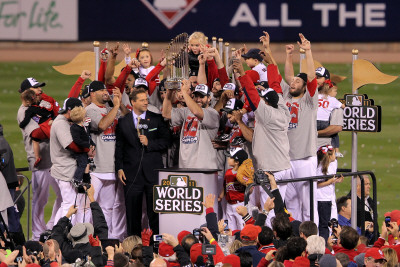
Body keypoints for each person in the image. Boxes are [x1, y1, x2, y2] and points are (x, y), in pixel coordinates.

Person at [234, 51, 291, 218]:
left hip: (271, 170)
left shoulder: (268, 114)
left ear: (267, 103)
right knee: (279, 206)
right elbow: (276, 85)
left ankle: (270, 241)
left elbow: (252, 95)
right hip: (282, 166)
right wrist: (271, 64)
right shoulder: (281, 107)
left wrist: (243, 74)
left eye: (264, 99)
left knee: (270, 210)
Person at [115, 88, 170, 236]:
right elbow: (119, 147)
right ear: (133, 102)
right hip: (131, 174)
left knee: (155, 213)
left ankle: (156, 245)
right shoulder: (123, 122)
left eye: (146, 99)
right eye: (142, 100)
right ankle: (134, 245)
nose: (146, 102)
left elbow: (166, 141)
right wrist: (119, 168)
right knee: (133, 213)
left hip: (153, 173)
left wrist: (149, 143)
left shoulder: (156, 118)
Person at [17, 77, 62, 241]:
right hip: (39, 161)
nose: (40, 91)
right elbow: (37, 133)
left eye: (39, 88)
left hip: (55, 158)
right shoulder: (23, 111)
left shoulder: (41, 104)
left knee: (64, 195)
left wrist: (53, 122)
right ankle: (37, 234)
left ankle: (52, 226)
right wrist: (55, 125)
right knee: (40, 198)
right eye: (36, 88)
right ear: (26, 92)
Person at [85, 80, 129, 240]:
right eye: (101, 90)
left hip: (112, 167)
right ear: (92, 94)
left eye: (105, 89)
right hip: (96, 168)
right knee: (88, 206)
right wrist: (116, 107)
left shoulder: (111, 109)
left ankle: (106, 238)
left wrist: (120, 103)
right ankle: (87, 239)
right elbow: (102, 125)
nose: (105, 92)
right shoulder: (89, 110)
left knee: (109, 207)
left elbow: (129, 119)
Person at [282, 33, 319, 222]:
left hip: (304, 159)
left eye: (298, 81)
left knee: (308, 205)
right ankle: (296, 240)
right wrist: (289, 55)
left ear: (305, 87)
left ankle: (314, 241)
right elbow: (288, 76)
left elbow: (311, 77)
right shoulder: (286, 98)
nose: (293, 82)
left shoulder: (309, 101)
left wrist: (308, 51)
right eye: (292, 81)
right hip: (287, 160)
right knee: (292, 206)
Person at [50, 97, 94, 225]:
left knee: (70, 204)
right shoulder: (60, 123)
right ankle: (60, 237)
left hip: (68, 168)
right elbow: (71, 145)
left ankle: (57, 234)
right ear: (70, 111)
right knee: (69, 204)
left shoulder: (67, 121)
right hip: (64, 169)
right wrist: (87, 148)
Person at [162, 81, 219, 169]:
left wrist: (184, 92)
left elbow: (197, 111)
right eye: (196, 96)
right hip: (184, 165)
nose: (198, 99)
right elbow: (166, 113)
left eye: (202, 97)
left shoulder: (212, 113)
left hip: (204, 167)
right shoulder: (187, 111)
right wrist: (169, 93)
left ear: (209, 98)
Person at [19, 89, 56, 167]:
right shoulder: (43, 103)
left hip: (44, 127)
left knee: (35, 139)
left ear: (28, 102)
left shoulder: (29, 110)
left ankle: (37, 157)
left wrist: (21, 125)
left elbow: (26, 121)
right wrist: (52, 119)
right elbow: (52, 112)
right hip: (52, 124)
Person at [316, 145, 344, 240]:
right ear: (328, 156)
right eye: (333, 154)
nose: (335, 156)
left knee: (331, 223)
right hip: (322, 199)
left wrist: (336, 180)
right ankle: (324, 245)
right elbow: (317, 184)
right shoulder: (320, 168)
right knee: (324, 225)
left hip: (328, 198)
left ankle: (331, 243)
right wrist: (330, 181)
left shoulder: (331, 164)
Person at [69, 106, 95, 183]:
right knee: (83, 164)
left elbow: (87, 137)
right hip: (79, 151)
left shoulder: (82, 126)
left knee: (86, 163)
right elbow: (77, 140)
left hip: (83, 150)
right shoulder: (75, 128)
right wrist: (87, 144)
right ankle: (76, 179)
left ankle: (85, 179)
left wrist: (91, 143)